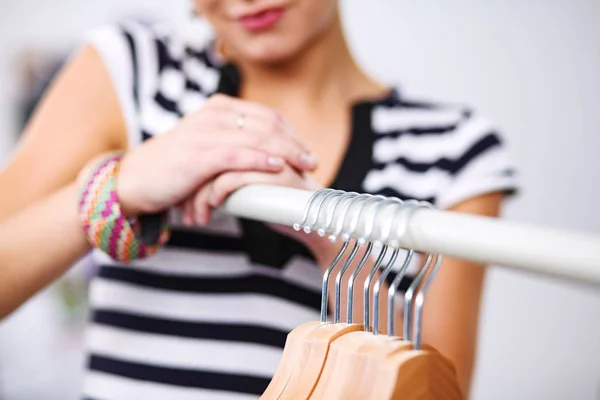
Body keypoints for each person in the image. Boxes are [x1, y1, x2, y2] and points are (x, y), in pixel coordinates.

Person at [0, 0, 518, 398]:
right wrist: (127, 183)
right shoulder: (131, 68)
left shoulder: (454, 149)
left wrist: (325, 232)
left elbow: (435, 392)